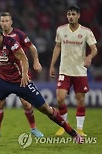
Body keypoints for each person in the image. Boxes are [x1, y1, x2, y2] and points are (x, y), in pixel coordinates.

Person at [0, 12, 43, 138]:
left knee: (26, 103)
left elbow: (32, 48)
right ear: (0, 23)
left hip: (20, 74)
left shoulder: (19, 35)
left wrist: (36, 61)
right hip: (4, 76)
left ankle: (33, 129)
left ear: (11, 22)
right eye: (2, 21)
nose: (5, 23)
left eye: (7, 21)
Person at [50, 5, 98, 137]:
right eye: (69, 14)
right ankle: (64, 125)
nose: (70, 16)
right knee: (60, 98)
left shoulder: (86, 32)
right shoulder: (61, 30)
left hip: (79, 71)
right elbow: (57, 47)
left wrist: (89, 57)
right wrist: (52, 65)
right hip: (64, 70)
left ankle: (80, 129)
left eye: (73, 14)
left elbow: (94, 49)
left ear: (78, 16)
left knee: (80, 100)